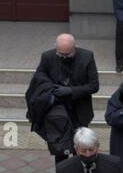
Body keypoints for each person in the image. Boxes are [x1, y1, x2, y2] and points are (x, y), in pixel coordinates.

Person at [27, 34, 99, 162]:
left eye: (68, 54)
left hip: (79, 111)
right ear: (56, 48)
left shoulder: (87, 56)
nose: (64, 57)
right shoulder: (47, 56)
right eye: (61, 54)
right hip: (57, 112)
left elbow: (94, 86)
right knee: (60, 150)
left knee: (81, 148)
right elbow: (39, 76)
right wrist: (52, 88)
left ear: (75, 47)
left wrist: (71, 91)